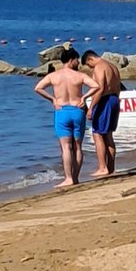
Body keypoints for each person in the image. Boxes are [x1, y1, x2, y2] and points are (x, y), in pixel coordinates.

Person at [33, 48, 99, 188]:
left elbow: (38, 88)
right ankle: (75, 178)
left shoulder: (54, 76)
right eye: (76, 60)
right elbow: (96, 86)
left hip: (62, 111)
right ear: (71, 59)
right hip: (77, 110)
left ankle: (68, 178)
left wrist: (52, 99)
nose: (78, 63)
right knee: (78, 147)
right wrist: (84, 97)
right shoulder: (79, 75)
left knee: (66, 147)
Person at [81, 49, 121, 177]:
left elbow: (100, 88)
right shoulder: (112, 66)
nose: (90, 68)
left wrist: (91, 107)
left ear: (90, 59)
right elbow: (118, 87)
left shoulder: (99, 67)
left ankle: (102, 167)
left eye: (89, 65)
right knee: (108, 135)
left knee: (97, 133)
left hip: (105, 100)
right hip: (115, 98)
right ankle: (111, 167)